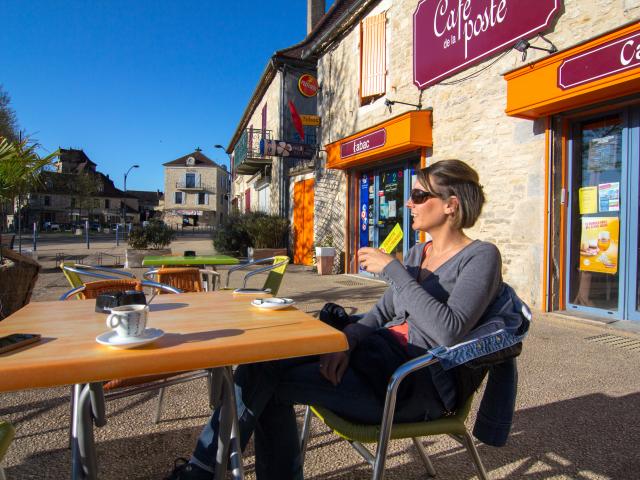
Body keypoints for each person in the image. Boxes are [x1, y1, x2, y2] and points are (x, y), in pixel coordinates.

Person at [166, 159, 503, 480]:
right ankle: (205, 469)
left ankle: (202, 471)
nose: (409, 204)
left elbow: (449, 331)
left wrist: (394, 270)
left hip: (412, 385)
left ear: (450, 205)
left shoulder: (481, 256)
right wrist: (348, 342)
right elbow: (383, 312)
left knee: (266, 383)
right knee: (265, 357)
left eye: (418, 196)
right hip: (375, 360)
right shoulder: (419, 253)